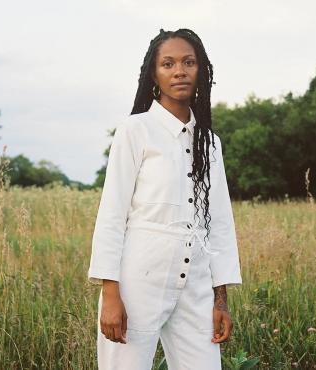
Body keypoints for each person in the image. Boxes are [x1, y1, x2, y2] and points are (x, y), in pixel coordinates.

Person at [87, 28, 242, 370]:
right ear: (154, 74)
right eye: (168, 63)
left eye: (189, 62)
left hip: (196, 285)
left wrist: (220, 299)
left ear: (202, 71)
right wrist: (110, 294)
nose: (179, 71)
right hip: (138, 281)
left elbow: (218, 222)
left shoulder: (210, 142)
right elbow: (113, 213)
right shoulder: (135, 130)